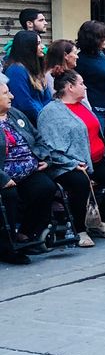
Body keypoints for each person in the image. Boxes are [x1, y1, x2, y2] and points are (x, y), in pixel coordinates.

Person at [36, 71, 105, 246]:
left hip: (94, 160)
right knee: (80, 184)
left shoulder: (82, 105)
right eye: (81, 83)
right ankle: (80, 230)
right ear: (70, 87)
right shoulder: (50, 112)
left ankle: (101, 221)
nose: (85, 87)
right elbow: (49, 147)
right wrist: (72, 163)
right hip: (66, 164)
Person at [0, 81, 59, 265]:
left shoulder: (15, 114)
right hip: (4, 175)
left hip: (28, 169)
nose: (11, 96)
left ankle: (26, 233)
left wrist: (44, 157)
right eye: (6, 93)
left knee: (46, 187)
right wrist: (2, 178)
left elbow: (37, 137)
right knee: (9, 196)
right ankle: (7, 246)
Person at [75, 20, 105, 132]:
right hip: (96, 111)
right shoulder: (80, 61)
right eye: (103, 37)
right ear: (94, 39)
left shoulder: (101, 55)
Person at [3, 31, 50, 124]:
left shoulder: (35, 69)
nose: (42, 47)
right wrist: (44, 119)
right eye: (38, 43)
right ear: (28, 47)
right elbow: (24, 104)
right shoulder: (16, 70)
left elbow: (47, 98)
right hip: (30, 123)